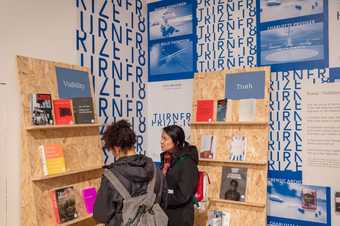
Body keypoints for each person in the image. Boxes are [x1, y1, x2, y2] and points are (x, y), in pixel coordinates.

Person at [93, 120, 167, 226]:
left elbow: (101, 215)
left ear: (117, 148)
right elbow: (163, 203)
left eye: (112, 150)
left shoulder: (111, 177)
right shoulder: (155, 169)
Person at [160, 125, 199, 226]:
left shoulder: (187, 163)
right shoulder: (167, 158)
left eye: (165, 138)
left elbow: (183, 194)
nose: (161, 141)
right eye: (161, 138)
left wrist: (161, 197)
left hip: (180, 218)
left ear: (176, 142)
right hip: (165, 216)